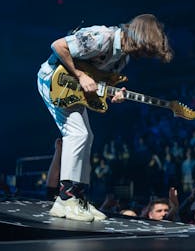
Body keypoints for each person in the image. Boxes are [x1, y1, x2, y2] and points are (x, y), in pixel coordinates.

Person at [37, 14, 174, 222]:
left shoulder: (123, 58)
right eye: (144, 49)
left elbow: (98, 81)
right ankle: (66, 199)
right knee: (78, 133)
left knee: (87, 136)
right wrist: (81, 76)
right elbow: (58, 45)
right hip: (54, 80)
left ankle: (78, 198)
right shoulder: (102, 36)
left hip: (72, 90)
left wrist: (114, 94)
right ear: (138, 37)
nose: (142, 55)